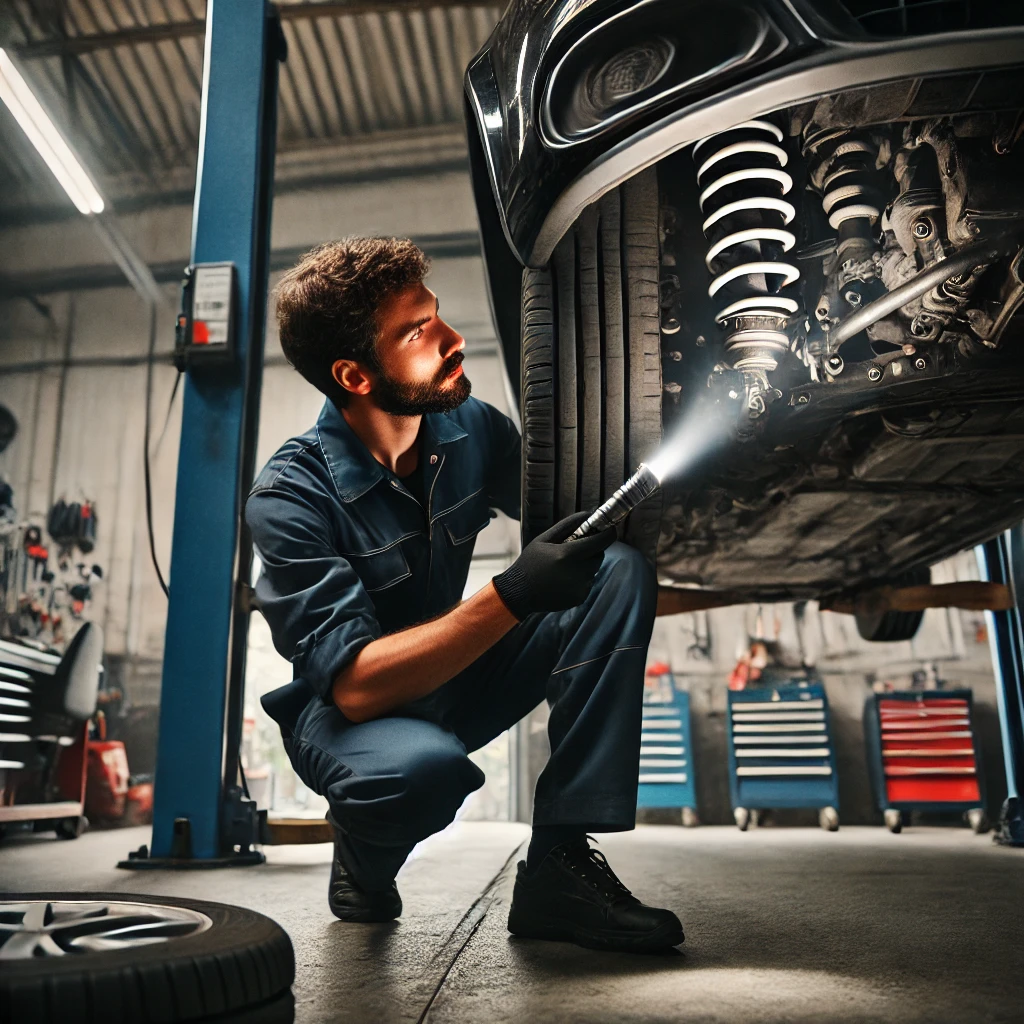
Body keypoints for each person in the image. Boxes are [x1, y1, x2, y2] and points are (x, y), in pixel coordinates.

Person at [248, 237, 683, 952]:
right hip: (358, 719)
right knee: (421, 772)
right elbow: (354, 687)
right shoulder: (290, 497)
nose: (453, 341)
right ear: (355, 375)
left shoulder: (468, 429)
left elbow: (572, 531)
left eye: (437, 315)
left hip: (461, 674)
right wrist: (512, 594)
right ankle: (364, 851)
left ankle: (558, 868)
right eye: (418, 334)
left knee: (616, 570)